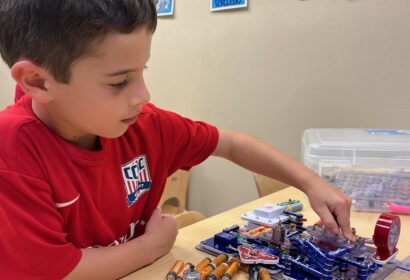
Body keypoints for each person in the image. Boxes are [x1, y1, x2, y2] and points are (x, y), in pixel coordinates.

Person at [0, 1, 353, 279]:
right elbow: (59, 272)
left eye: (143, 71)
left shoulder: (144, 125)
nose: (143, 95)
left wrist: (311, 182)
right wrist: (153, 246)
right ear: (38, 82)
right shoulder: (13, 149)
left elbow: (229, 143)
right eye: (119, 82)